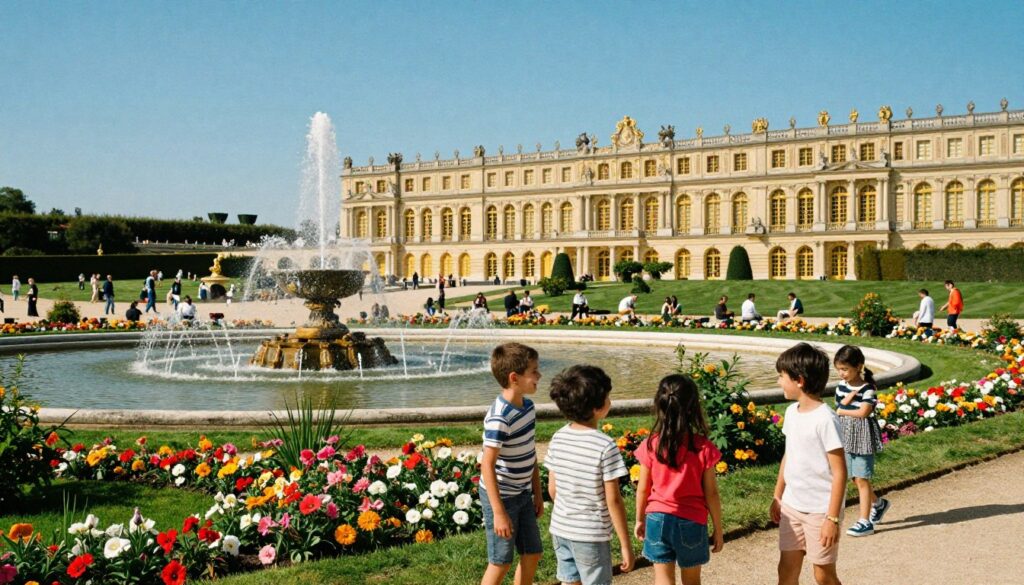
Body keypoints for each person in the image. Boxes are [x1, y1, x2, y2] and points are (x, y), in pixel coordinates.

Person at [545, 365, 635, 584]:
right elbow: (613, 500)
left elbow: (553, 489)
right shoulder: (605, 446)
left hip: (561, 529)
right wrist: (625, 544)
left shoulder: (558, 437)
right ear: (597, 408)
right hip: (590, 535)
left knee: (570, 581)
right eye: (607, 396)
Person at [634, 374, 724, 585]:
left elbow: (643, 489)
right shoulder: (703, 448)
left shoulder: (651, 445)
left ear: (660, 405)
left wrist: (639, 519)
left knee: (662, 578)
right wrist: (718, 529)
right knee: (692, 581)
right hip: (692, 521)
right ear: (693, 408)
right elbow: (711, 493)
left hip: (657, 518)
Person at [771, 343, 846, 585]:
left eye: (782, 376)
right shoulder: (792, 412)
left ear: (799, 380)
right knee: (786, 571)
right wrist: (777, 495)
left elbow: (840, 473)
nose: (779, 381)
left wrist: (832, 519)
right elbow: (788, 455)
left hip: (820, 511)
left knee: (823, 575)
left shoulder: (826, 419)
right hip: (792, 507)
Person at [480, 343, 544, 585]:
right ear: (514, 378)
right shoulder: (500, 417)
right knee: (500, 561)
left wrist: (537, 493)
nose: (539, 375)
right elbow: (487, 466)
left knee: (533, 552)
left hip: (522, 494)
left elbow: (530, 452)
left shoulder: (527, 407)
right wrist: (498, 513)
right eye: (534, 371)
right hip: (501, 498)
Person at [833, 345, 889, 537]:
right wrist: (846, 401)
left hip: (862, 436)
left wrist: (842, 410)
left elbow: (864, 412)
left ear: (859, 367)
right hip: (845, 435)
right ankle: (878, 504)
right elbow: (838, 405)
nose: (842, 373)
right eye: (839, 369)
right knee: (854, 478)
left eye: (845, 369)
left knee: (862, 478)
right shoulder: (842, 387)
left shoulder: (868, 388)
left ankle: (865, 521)